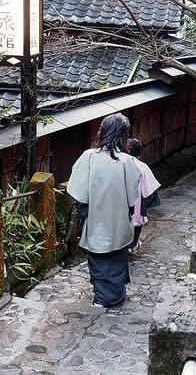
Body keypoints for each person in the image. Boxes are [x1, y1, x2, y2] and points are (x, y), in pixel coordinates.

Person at [67, 113, 141, 307]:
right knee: (117, 257)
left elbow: (77, 191)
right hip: (118, 219)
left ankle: (102, 298)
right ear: (123, 135)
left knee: (98, 259)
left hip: (95, 218)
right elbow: (132, 195)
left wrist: (87, 209)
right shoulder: (127, 161)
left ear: (103, 131)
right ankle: (116, 294)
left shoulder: (89, 157)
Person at [126, 138, 161, 254]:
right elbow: (150, 190)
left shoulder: (117, 163)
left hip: (118, 203)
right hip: (136, 204)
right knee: (135, 223)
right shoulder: (142, 166)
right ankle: (132, 245)